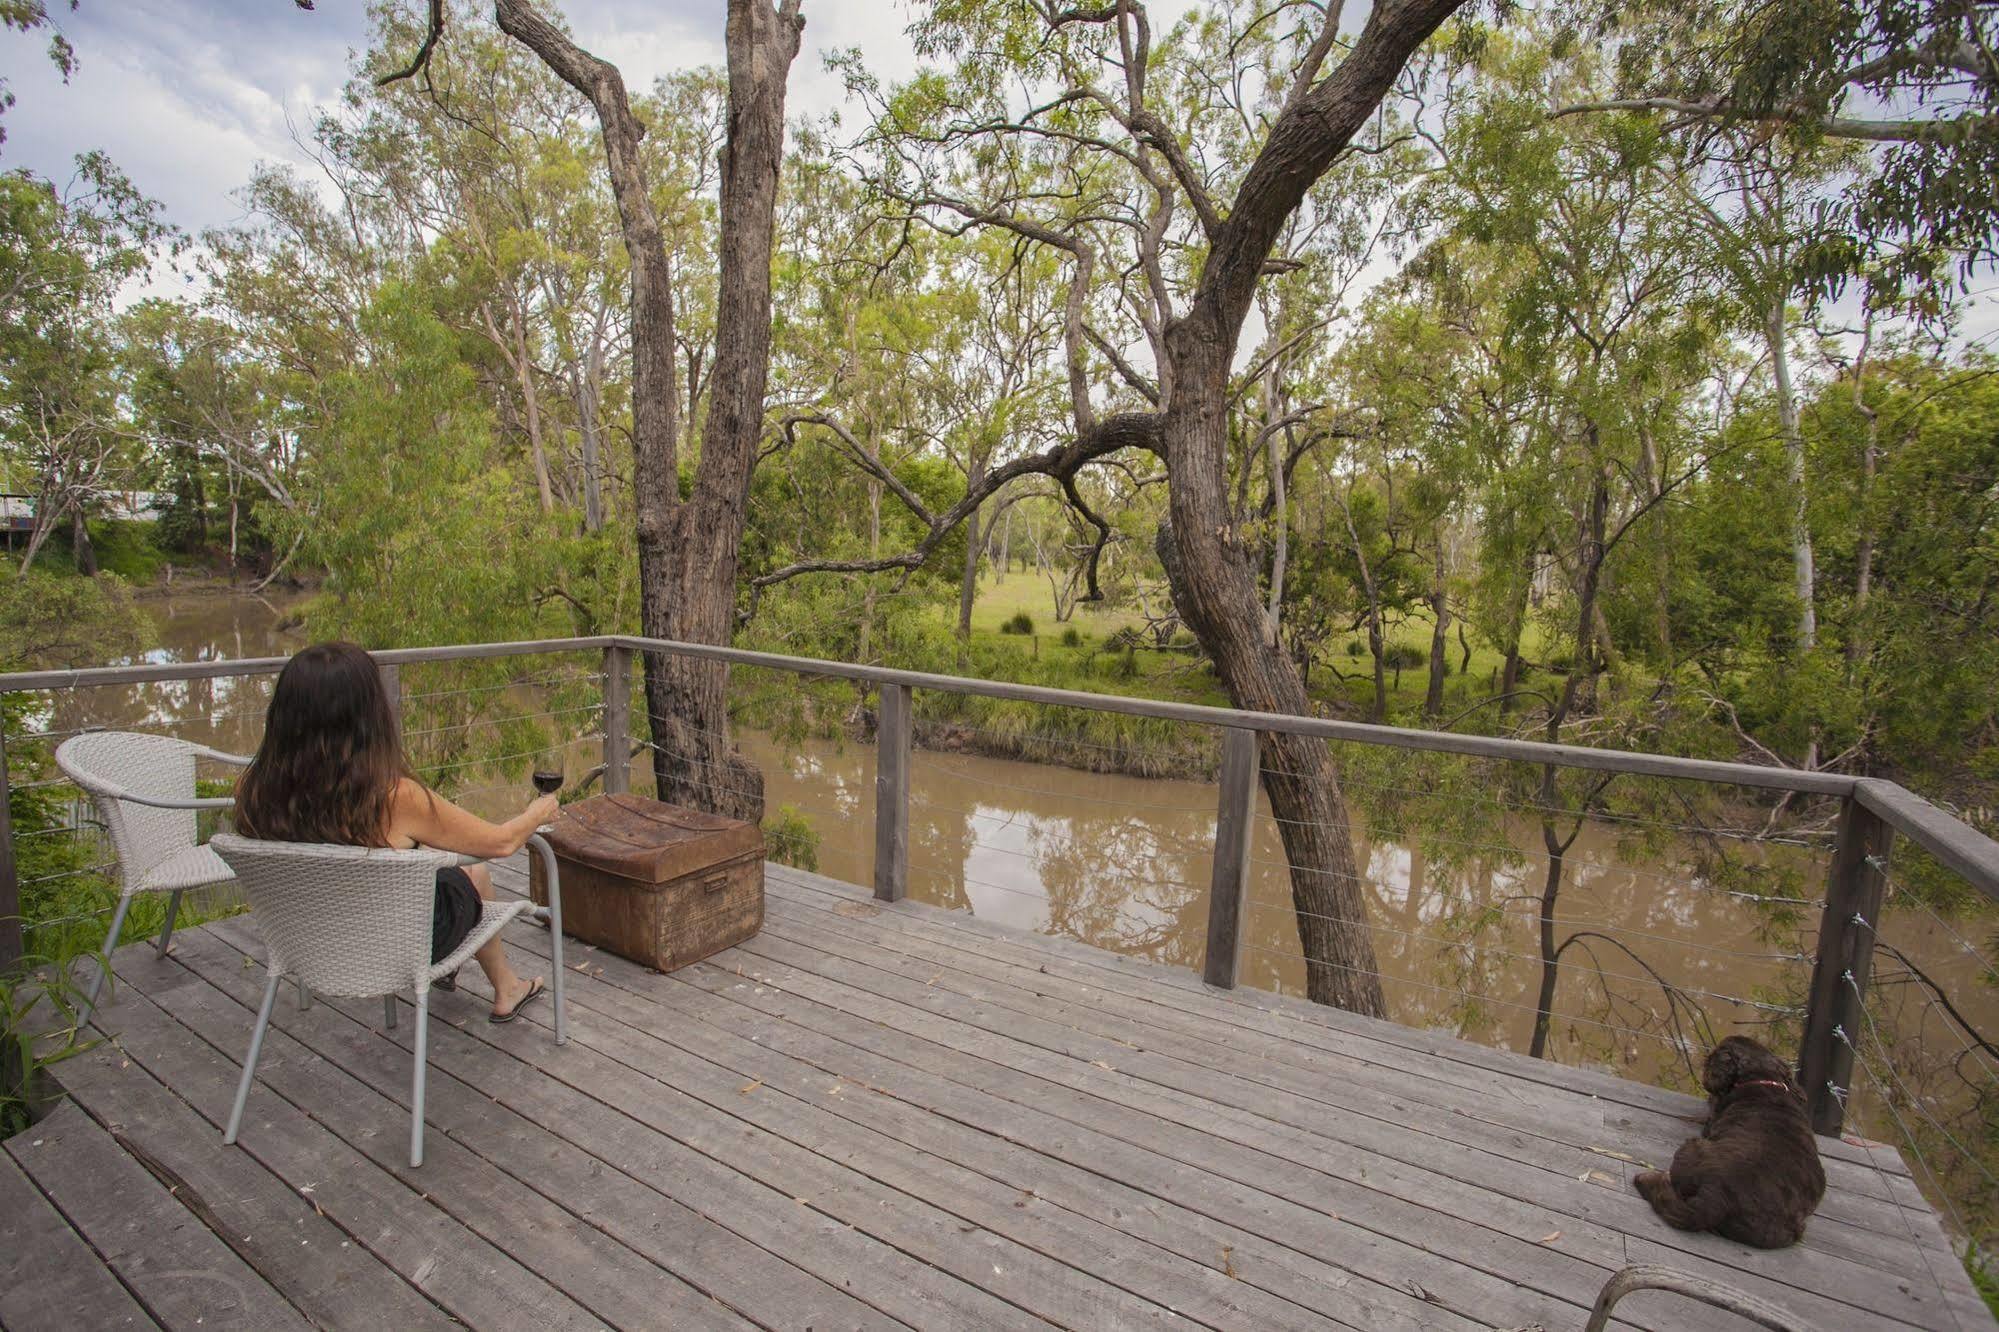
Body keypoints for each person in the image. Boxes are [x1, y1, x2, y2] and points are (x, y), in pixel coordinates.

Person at [232, 640, 556, 1022]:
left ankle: (494, 981)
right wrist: (538, 812)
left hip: (308, 943)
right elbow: (500, 842)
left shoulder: (253, 788)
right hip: (397, 946)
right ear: (367, 713)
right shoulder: (394, 797)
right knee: (475, 871)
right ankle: (507, 989)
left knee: (444, 870)